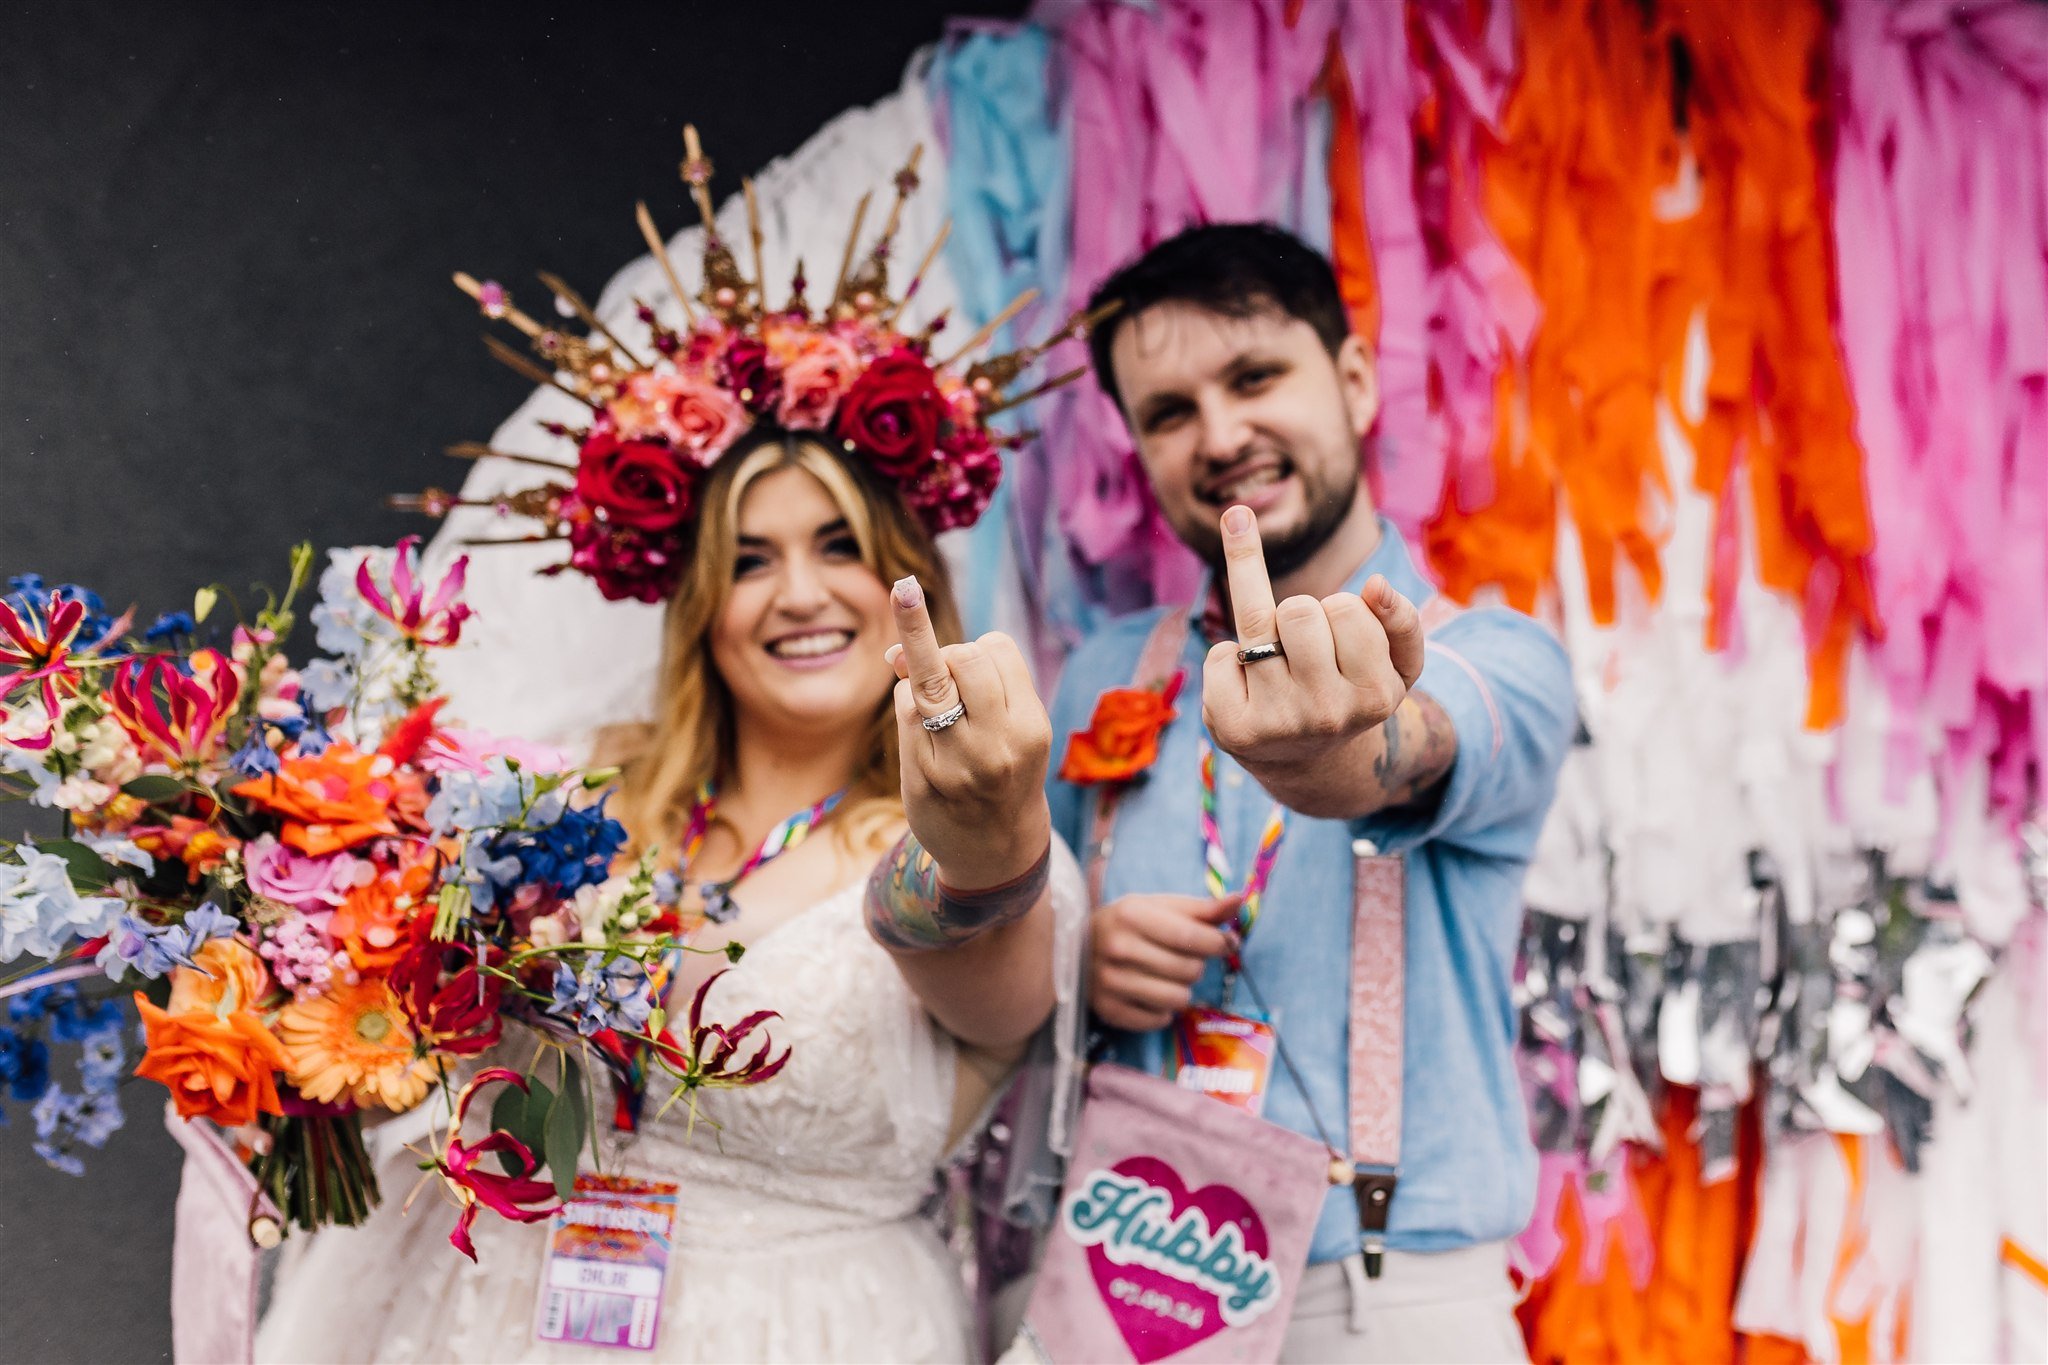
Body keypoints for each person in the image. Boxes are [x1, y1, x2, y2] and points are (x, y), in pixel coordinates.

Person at [258, 421, 1083, 1363]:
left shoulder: (962, 851)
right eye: (750, 560)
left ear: (911, 580)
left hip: (798, 1332)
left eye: (841, 546)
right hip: (467, 1311)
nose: (802, 593)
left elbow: (965, 933)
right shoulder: (569, 791)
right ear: (700, 604)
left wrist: (983, 846)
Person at [1046, 223, 1576, 1362]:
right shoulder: (1098, 677)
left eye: (1252, 378)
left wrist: (1331, 761)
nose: (1221, 435)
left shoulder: (1501, 656)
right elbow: (1007, 955)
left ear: (1348, 381)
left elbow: (1410, 748)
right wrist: (1076, 962)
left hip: (1389, 1299)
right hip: (1128, 1285)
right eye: (1169, 411)